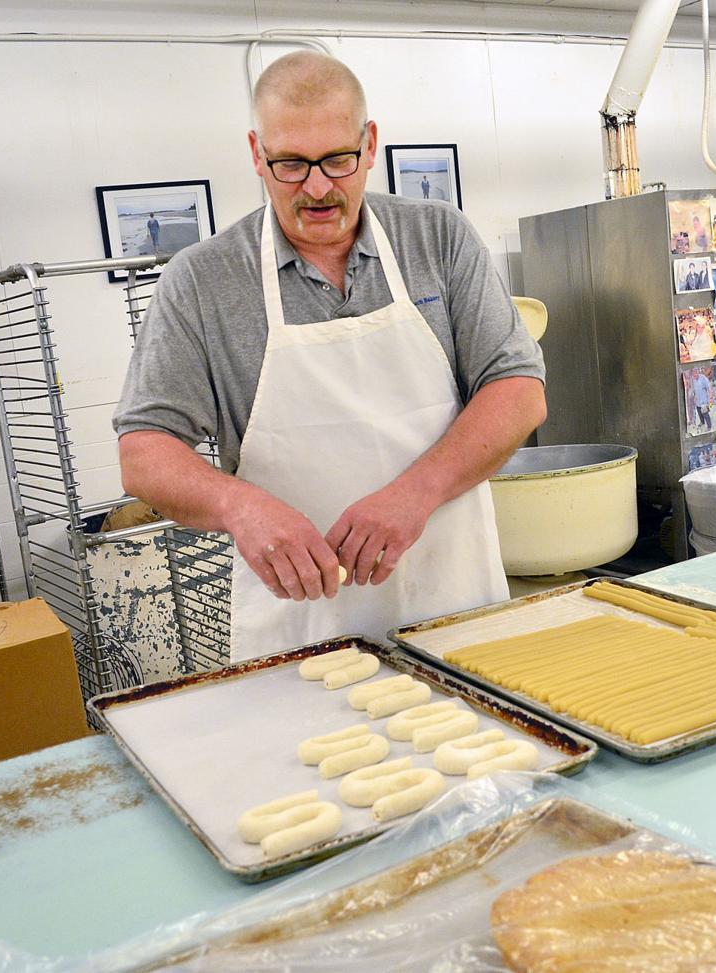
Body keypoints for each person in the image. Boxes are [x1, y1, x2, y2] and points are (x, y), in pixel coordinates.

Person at [115, 52, 546, 661]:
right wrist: (241, 508)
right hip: (300, 628)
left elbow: (518, 388)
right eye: (289, 164)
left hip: (452, 603)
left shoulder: (437, 237)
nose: (316, 188)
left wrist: (414, 494)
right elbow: (144, 452)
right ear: (256, 153)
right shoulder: (202, 281)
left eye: (337, 160)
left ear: (369, 144)